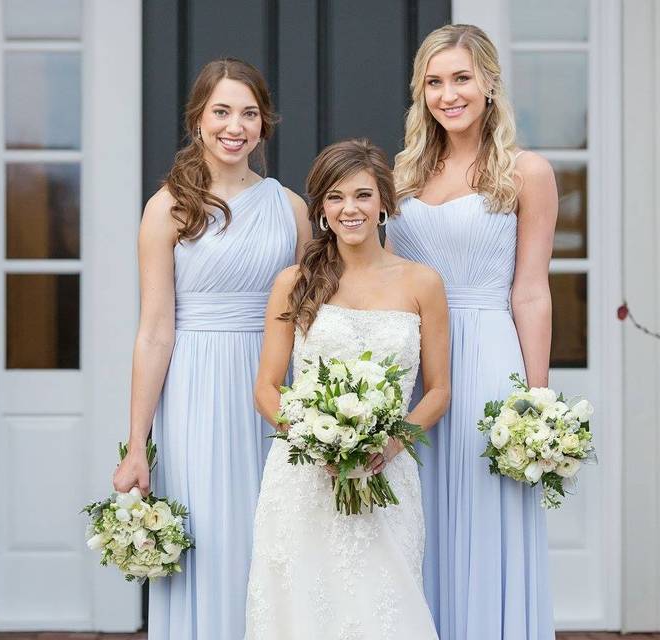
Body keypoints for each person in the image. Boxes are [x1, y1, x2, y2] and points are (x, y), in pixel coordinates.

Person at [112, 58, 311, 639]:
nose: (235, 125)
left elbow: (314, 313)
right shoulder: (168, 207)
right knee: (212, 535)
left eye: (249, 113)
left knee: (273, 535)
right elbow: (154, 331)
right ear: (197, 119)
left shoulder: (290, 207)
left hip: (274, 386)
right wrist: (136, 445)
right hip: (197, 387)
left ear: (263, 124)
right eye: (221, 111)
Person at [387, 24, 559, 640]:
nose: (448, 94)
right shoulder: (402, 175)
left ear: (488, 83)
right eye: (434, 82)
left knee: (488, 517)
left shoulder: (525, 172)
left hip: (487, 355)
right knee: (416, 521)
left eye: (461, 78)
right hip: (414, 368)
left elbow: (532, 289)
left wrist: (537, 399)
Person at [245, 139, 450, 639]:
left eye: (362, 195)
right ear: (320, 210)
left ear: (384, 203)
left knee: (386, 605)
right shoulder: (294, 282)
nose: (349, 209)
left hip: (387, 472)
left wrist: (388, 443)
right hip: (304, 477)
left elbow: (439, 389)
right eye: (335, 197)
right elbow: (267, 389)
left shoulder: (423, 283)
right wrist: (318, 441)